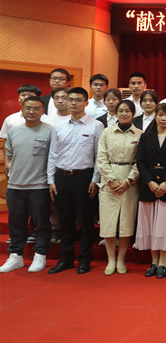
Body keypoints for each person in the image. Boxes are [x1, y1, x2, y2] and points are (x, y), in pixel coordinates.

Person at [47, 87, 103, 274]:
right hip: (62, 177)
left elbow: (99, 156)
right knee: (65, 220)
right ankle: (66, 259)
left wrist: (95, 180)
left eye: (78, 100)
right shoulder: (60, 126)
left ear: (86, 103)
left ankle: (85, 259)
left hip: (84, 178)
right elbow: (53, 154)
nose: (73, 103)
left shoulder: (96, 126)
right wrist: (51, 180)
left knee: (86, 221)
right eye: (70, 99)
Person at [0, 97, 53, 273]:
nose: (31, 112)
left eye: (36, 108)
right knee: (16, 224)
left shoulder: (50, 131)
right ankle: (16, 256)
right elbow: (8, 153)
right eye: (28, 108)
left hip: (39, 186)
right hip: (15, 186)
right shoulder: (14, 131)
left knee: (41, 223)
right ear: (22, 110)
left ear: (43, 111)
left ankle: (40, 254)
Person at [136, 104, 166, 278]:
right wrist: (149, 181)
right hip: (149, 187)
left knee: (164, 226)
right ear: (155, 116)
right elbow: (140, 161)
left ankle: (163, 263)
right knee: (151, 226)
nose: (163, 118)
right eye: (160, 115)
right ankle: (154, 262)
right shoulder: (145, 137)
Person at [96, 99, 142, 275]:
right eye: (120, 111)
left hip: (130, 183)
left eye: (127, 111)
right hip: (109, 182)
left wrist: (128, 180)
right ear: (115, 113)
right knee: (108, 223)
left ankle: (121, 259)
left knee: (126, 223)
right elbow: (101, 158)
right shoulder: (107, 132)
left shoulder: (140, 134)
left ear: (133, 114)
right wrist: (111, 180)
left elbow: (141, 161)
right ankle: (111, 259)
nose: (124, 114)